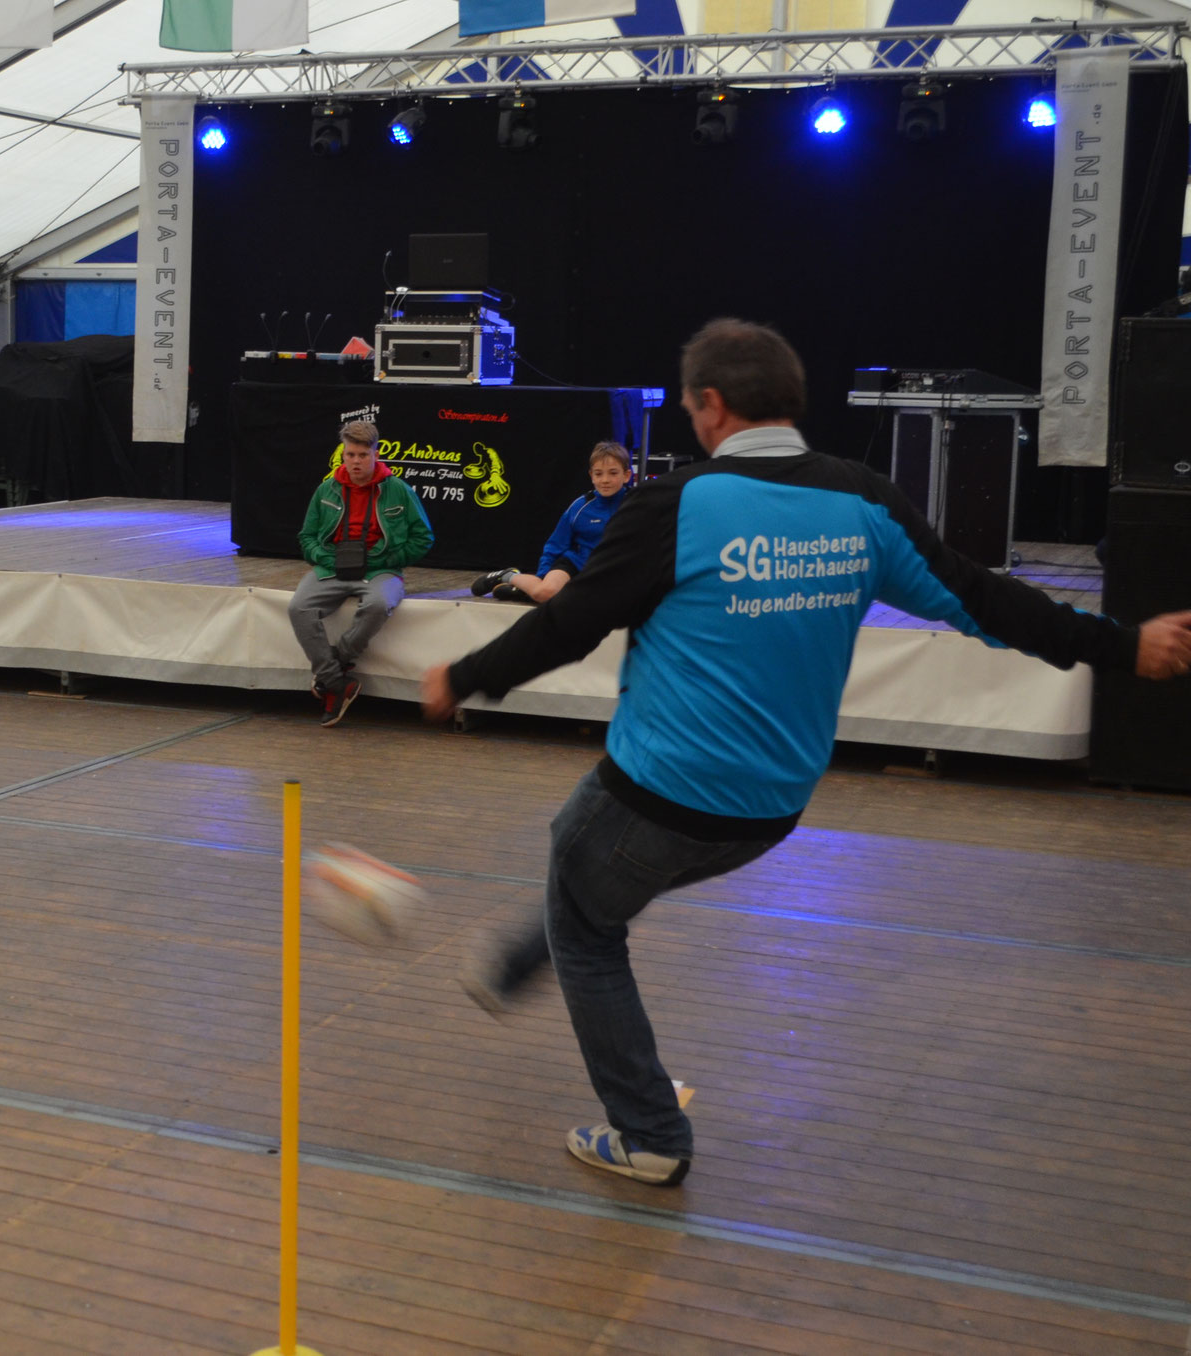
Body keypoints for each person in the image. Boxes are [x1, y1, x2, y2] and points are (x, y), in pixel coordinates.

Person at [419, 318, 1191, 1187]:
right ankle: (521, 966)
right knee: (601, 889)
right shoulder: (863, 502)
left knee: (588, 914)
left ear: (713, 405)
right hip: (769, 813)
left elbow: (570, 624)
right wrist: (1124, 645)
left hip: (656, 794)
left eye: (690, 405)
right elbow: (984, 600)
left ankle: (648, 1131)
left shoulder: (677, 504)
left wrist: (464, 675)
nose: (690, 418)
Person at [290, 420, 434, 728]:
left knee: (378, 604)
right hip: (331, 568)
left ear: (375, 454)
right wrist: (324, 557)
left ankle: (334, 668)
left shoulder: (398, 490)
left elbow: (423, 537)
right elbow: (307, 536)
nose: (355, 461)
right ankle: (336, 682)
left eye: (362, 455)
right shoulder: (327, 488)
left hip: (381, 569)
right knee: (299, 607)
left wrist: (390, 558)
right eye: (350, 455)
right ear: (343, 454)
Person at [471, 441, 633, 603]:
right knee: (545, 592)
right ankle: (508, 576)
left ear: (626, 475)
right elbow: (555, 545)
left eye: (613, 473)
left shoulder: (637, 506)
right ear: (591, 475)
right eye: (599, 474)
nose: (605, 480)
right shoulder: (580, 506)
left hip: (610, 571)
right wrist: (541, 580)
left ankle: (524, 592)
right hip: (575, 564)